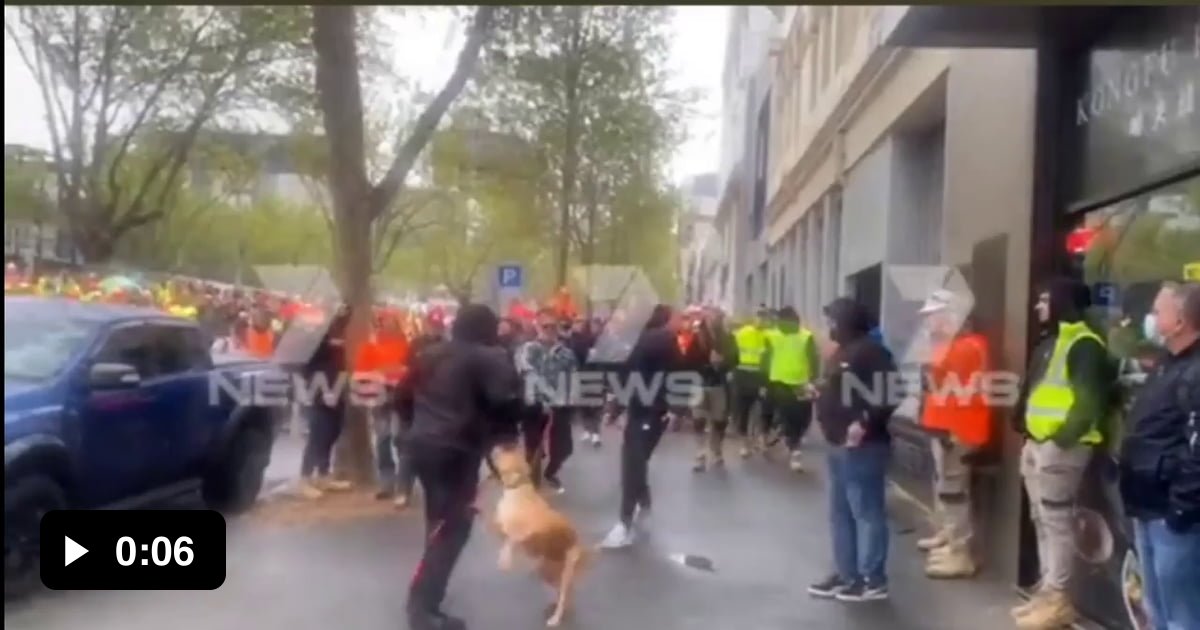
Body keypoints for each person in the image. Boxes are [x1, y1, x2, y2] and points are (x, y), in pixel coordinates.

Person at [400, 304, 522, 630]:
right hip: (456, 450)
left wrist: (415, 426)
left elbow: (400, 396)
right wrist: (506, 437)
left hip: (423, 446)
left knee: (439, 523)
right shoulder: (488, 357)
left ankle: (428, 596)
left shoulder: (429, 354)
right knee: (453, 528)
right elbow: (506, 402)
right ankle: (421, 608)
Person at [1011, 278, 1114, 629]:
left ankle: (1058, 600)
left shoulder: (1084, 344)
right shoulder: (1055, 341)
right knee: (1042, 519)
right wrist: (1028, 434)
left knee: (1056, 523)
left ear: (1061, 301)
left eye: (1044, 300)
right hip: (1039, 445)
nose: (1039, 307)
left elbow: (1089, 402)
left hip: (1060, 449)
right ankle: (1048, 591)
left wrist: (1059, 441)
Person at [1119, 281, 1200, 630]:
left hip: (1175, 514)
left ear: (1181, 320)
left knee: (1181, 614)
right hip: (1148, 506)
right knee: (1156, 610)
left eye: (1157, 310)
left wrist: (1181, 508)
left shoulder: (1194, 371)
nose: (1150, 318)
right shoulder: (1167, 363)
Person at [807, 297, 897, 603]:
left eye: (833, 320)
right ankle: (847, 573)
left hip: (864, 446)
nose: (829, 326)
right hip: (836, 443)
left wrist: (865, 421)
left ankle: (873, 578)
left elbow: (890, 392)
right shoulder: (842, 353)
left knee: (866, 512)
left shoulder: (872, 352)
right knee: (840, 513)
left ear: (847, 320)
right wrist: (819, 391)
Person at [914, 289, 993, 579]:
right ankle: (952, 539)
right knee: (948, 488)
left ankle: (961, 552)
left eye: (933, 316)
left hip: (958, 430)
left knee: (954, 492)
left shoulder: (962, 347)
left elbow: (934, 378)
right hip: (951, 427)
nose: (929, 322)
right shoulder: (960, 344)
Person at [600, 304, 681, 549]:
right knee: (635, 460)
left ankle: (630, 518)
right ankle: (635, 511)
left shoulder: (645, 340)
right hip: (649, 410)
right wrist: (676, 409)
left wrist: (615, 409)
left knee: (634, 460)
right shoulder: (660, 340)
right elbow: (676, 374)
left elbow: (626, 376)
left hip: (645, 410)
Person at [515, 310, 578, 493]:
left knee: (564, 447)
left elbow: (573, 375)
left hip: (560, 405)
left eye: (553, 326)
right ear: (537, 326)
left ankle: (551, 472)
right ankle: (533, 485)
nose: (549, 330)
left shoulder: (567, 353)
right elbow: (527, 372)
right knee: (533, 447)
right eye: (545, 326)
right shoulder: (528, 349)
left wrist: (572, 396)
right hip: (534, 404)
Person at [297, 306, 353, 499]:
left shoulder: (337, 329)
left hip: (338, 388)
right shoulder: (314, 337)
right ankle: (304, 479)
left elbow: (346, 314)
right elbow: (305, 366)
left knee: (332, 433)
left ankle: (323, 474)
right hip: (321, 391)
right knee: (318, 435)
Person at [759, 306, 819, 472]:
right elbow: (814, 359)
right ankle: (794, 447)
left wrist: (763, 382)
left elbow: (765, 360)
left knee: (781, 414)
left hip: (780, 382)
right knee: (800, 416)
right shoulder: (805, 336)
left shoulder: (773, 335)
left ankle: (783, 441)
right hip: (798, 382)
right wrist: (814, 379)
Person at [691, 306, 737, 471]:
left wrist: (722, 363)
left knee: (719, 421)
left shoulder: (728, 338)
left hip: (719, 383)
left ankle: (716, 449)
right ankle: (700, 454)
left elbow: (735, 358)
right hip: (699, 383)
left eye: (717, 316)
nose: (713, 319)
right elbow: (687, 359)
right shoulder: (697, 336)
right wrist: (704, 364)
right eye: (710, 316)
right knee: (698, 420)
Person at [732, 308, 771, 458]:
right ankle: (744, 444)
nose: (761, 320)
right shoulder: (742, 333)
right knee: (743, 411)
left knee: (766, 409)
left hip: (762, 377)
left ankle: (762, 439)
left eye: (764, 317)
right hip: (743, 375)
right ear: (753, 317)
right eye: (759, 316)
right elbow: (733, 352)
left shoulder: (770, 336)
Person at [568, 316, 604, 447]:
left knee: (594, 404)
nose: (577, 325)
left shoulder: (594, 339)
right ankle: (587, 429)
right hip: (579, 375)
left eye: (580, 322)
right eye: (575, 322)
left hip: (593, 374)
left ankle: (595, 432)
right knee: (583, 405)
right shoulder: (572, 339)